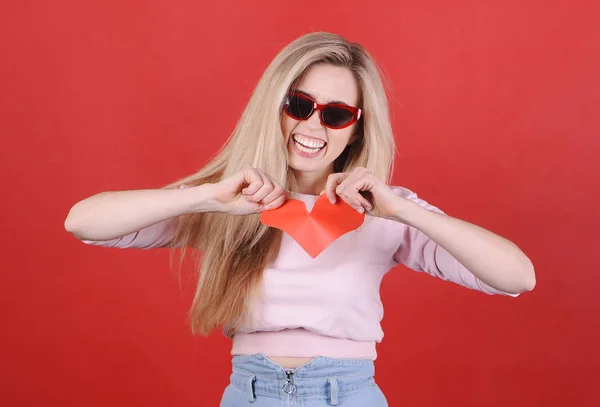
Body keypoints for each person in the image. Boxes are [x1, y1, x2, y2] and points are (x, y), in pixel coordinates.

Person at [64, 32, 536, 406]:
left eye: (335, 114)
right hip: (249, 394)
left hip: (348, 395)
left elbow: (517, 276)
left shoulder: (384, 209)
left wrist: (403, 209)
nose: (312, 127)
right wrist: (206, 196)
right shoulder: (231, 200)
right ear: (276, 106)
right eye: (298, 105)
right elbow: (83, 222)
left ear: (356, 130)